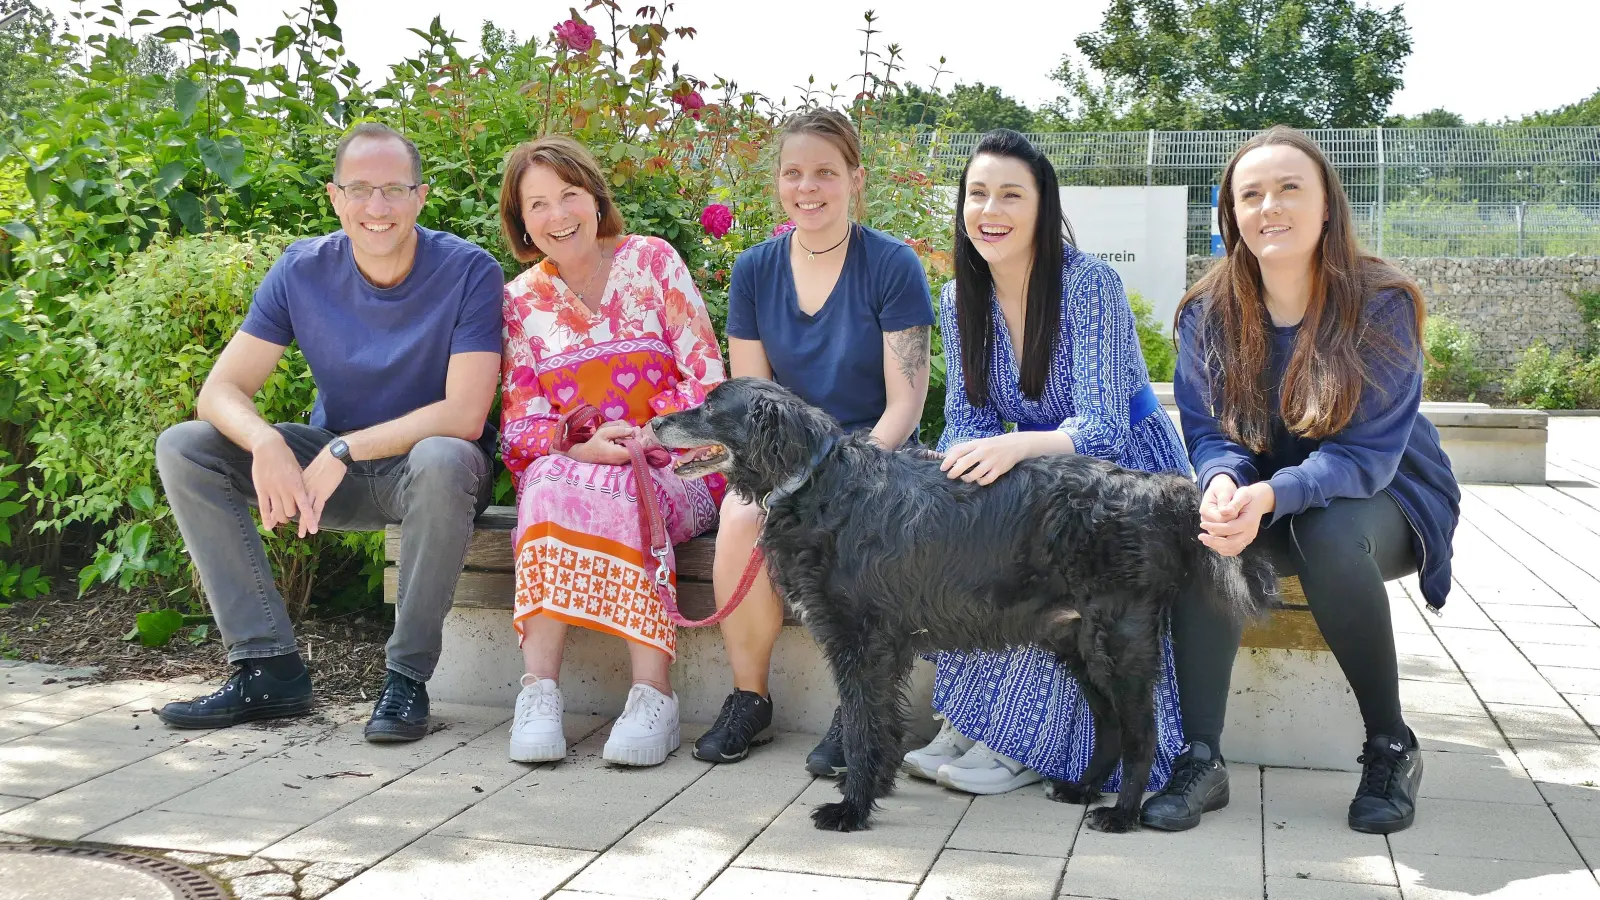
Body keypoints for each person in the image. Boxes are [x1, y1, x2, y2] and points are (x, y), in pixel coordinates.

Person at [1142, 125, 1460, 835]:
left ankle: (1391, 746)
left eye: (1290, 188)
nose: (1270, 207)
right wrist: (1223, 485)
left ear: (1326, 206)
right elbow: (1212, 434)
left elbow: (1363, 457)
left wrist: (1271, 495)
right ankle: (1201, 759)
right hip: (1270, 495)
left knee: (1328, 530)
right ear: (1232, 214)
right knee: (1205, 537)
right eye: (1251, 194)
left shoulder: (1380, 302)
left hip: (1386, 495)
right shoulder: (1208, 312)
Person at [154, 122, 503, 742]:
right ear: (335, 197)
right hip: (332, 473)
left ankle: (406, 680)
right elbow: (220, 390)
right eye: (360, 189)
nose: (377, 207)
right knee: (186, 447)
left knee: (443, 456)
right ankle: (268, 671)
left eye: (394, 189)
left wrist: (347, 447)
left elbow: (464, 414)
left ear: (421, 197)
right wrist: (265, 442)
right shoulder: (302, 270)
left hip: (433, 475)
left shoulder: (469, 270)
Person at [896, 128, 1190, 797]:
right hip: (1039, 474)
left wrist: (1015, 447)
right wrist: (953, 478)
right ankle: (968, 721)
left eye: (1011, 195)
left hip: (1122, 478)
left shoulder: (1088, 285)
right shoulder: (960, 297)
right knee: (964, 542)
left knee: (1041, 565)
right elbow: (970, 418)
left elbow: (1104, 428)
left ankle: (1023, 742)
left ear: (1042, 206)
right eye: (977, 194)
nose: (990, 210)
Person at [689, 107, 935, 774]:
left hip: (877, 454)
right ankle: (749, 698)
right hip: (784, 460)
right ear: (778, 181)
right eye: (794, 173)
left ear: (855, 179)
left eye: (825, 172)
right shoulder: (755, 270)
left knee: (858, 525)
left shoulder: (892, 265)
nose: (808, 187)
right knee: (741, 517)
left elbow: (906, 400)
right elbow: (752, 402)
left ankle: (860, 708)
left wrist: (848, 474)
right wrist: (783, 481)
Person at [497, 135, 726, 767]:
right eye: (537, 204)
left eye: (569, 194)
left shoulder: (652, 261)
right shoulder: (519, 302)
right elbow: (521, 423)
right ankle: (539, 692)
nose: (557, 215)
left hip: (689, 460)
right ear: (521, 221)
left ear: (595, 198)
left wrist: (643, 438)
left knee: (626, 484)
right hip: (580, 467)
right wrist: (583, 446)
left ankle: (654, 694)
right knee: (546, 482)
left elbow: (707, 378)